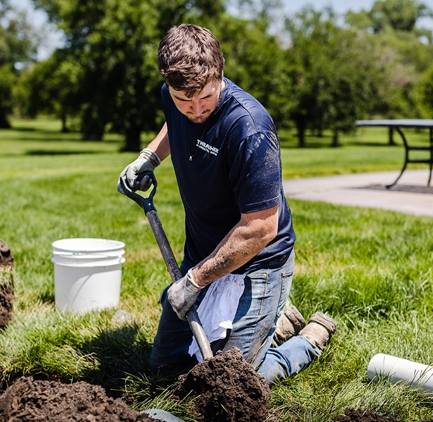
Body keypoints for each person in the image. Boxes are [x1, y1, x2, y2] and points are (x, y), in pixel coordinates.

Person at [118, 23, 336, 384]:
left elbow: (259, 229)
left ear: (219, 74)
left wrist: (194, 282)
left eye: (204, 98)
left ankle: (308, 339)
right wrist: (149, 157)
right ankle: (274, 323)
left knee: (230, 380)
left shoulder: (249, 128)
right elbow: (174, 122)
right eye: (183, 100)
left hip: (258, 265)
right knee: (165, 368)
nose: (195, 110)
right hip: (203, 255)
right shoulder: (176, 98)